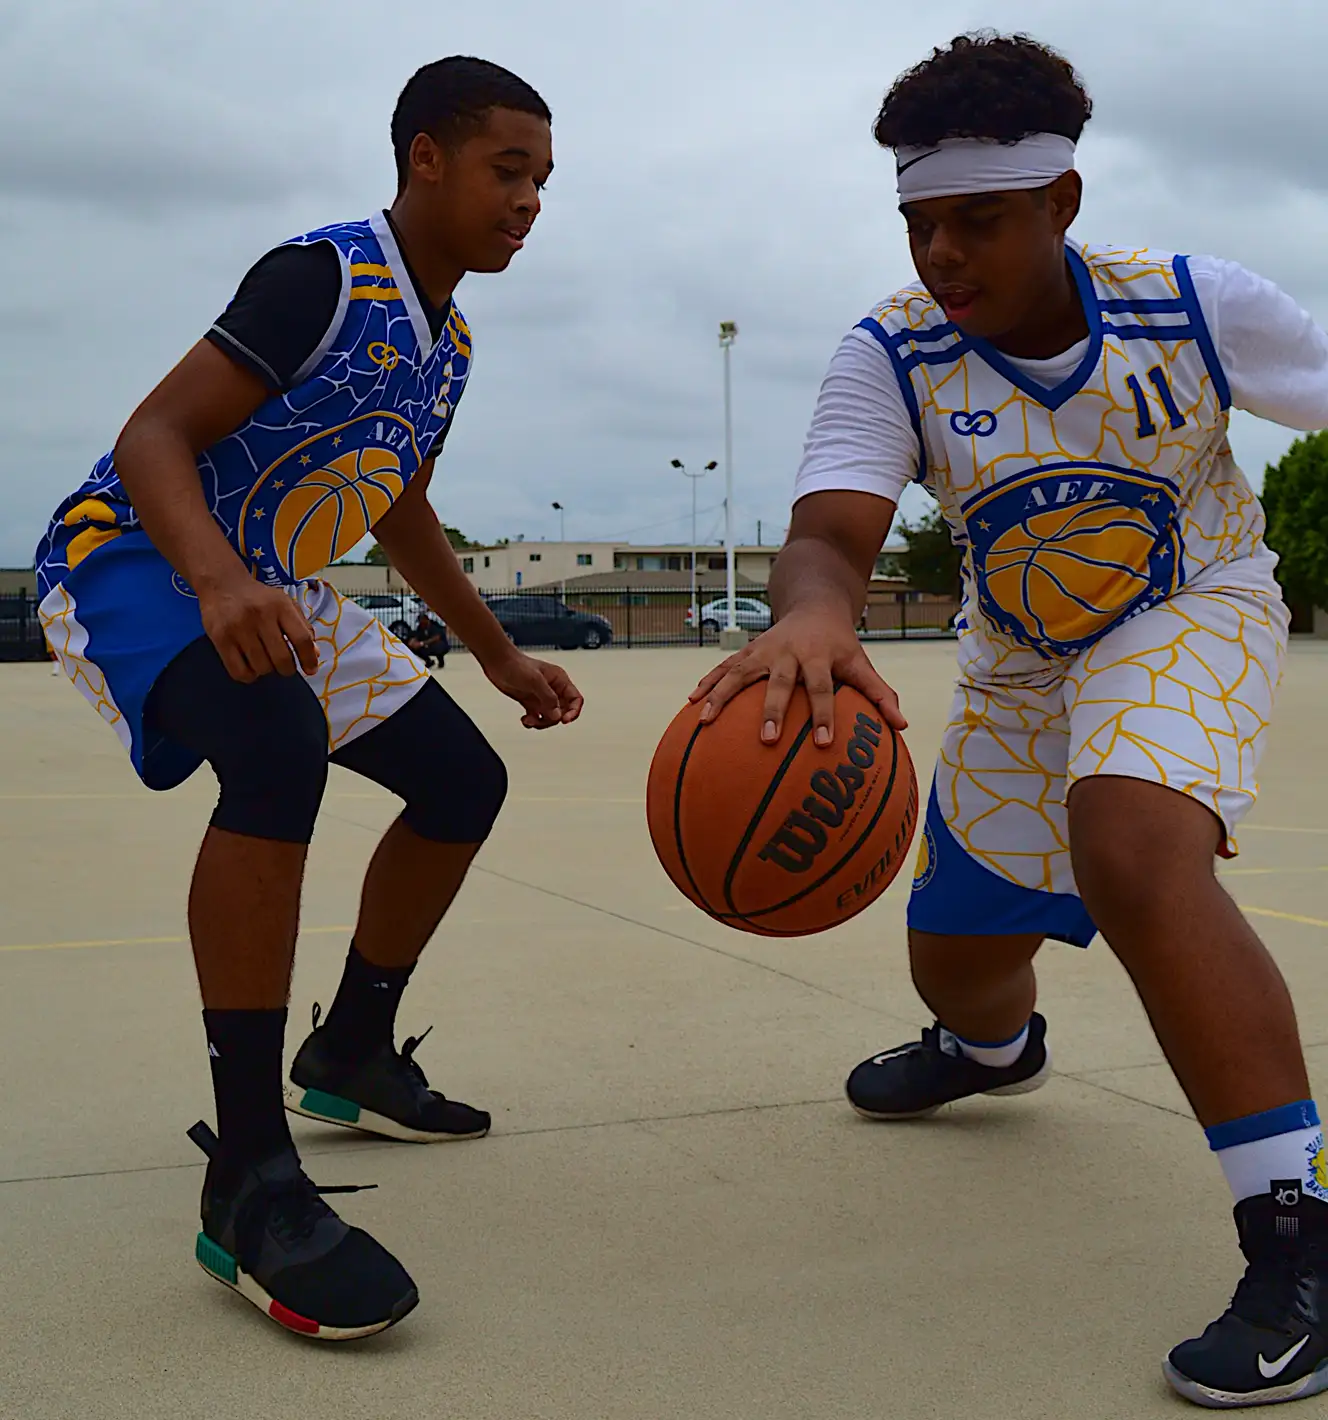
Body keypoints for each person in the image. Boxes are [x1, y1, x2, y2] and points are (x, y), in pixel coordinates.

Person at [693, 32, 1328, 1408]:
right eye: (919, 223)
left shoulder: (1193, 305)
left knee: (1131, 848)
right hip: (1018, 664)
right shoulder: (892, 352)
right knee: (956, 962)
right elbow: (829, 533)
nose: (942, 253)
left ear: (1061, 201)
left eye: (976, 219)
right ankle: (991, 1049)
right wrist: (813, 613)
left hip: (1190, 602)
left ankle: (1298, 1236)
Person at [35, 56, 581, 1341]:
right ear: (425, 157)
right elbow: (153, 436)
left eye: (544, 181)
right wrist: (219, 581)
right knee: (276, 747)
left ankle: (351, 1049)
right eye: (508, 171)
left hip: (269, 580)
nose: (529, 202)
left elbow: (398, 507)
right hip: (138, 558)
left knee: (462, 782)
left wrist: (496, 653)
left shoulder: (448, 344)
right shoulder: (321, 277)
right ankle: (249, 1172)